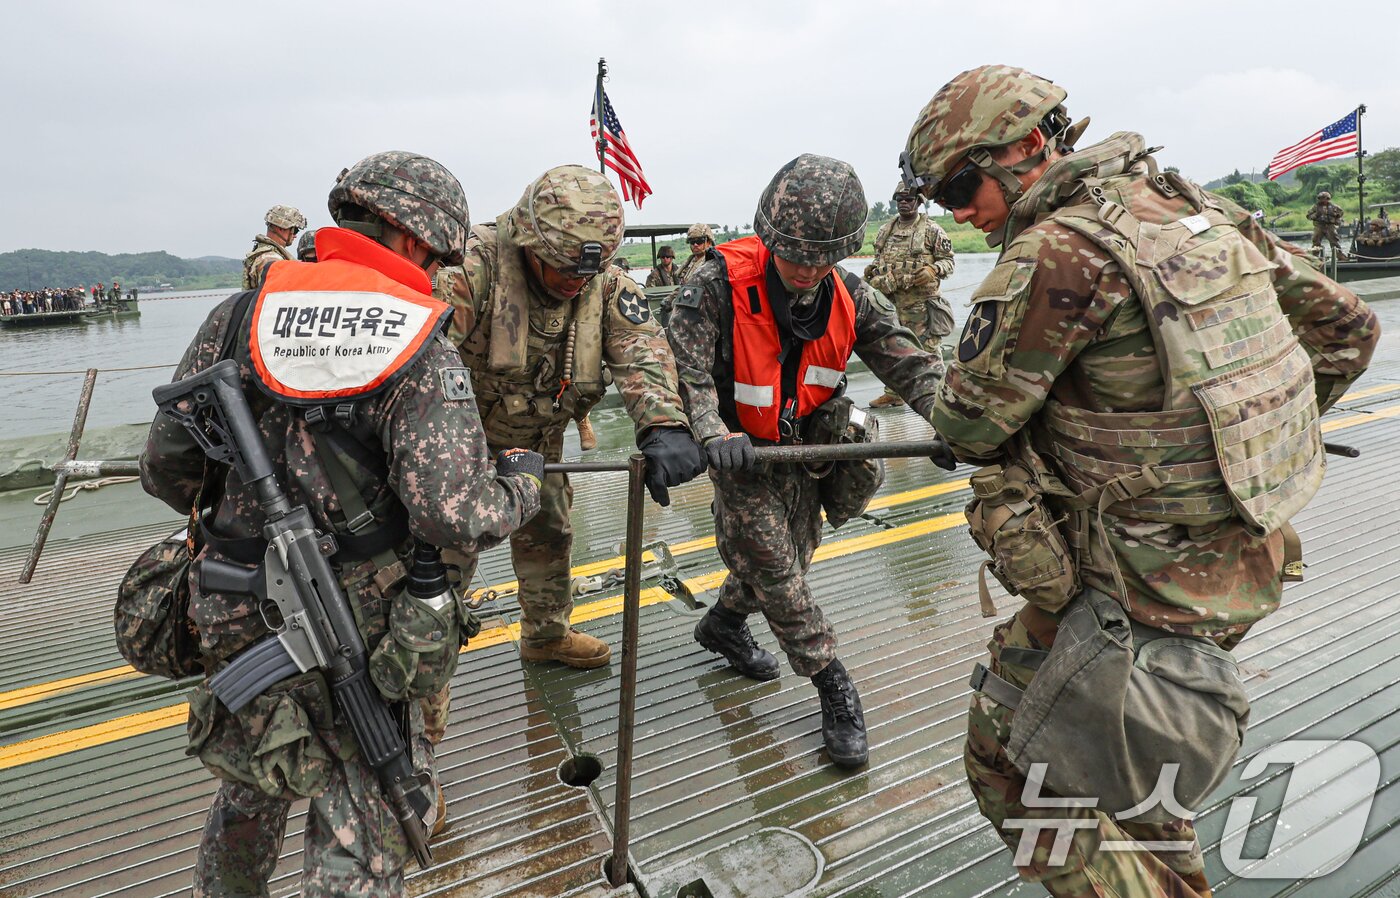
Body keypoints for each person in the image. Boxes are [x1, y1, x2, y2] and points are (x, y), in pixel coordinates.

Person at [900, 65, 1380, 897]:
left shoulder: (1058, 253)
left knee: (1016, 763)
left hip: (1132, 587)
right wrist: (1240, 451)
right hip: (1243, 559)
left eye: (960, 184)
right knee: (1132, 759)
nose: (958, 211)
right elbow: (1347, 328)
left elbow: (969, 424)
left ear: (1022, 149)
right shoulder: (1203, 215)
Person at [140, 150, 544, 898]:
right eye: (439, 253)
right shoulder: (419, 338)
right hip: (354, 624)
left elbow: (165, 471)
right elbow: (451, 512)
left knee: (251, 782)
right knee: (364, 805)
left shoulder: (237, 317)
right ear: (415, 239)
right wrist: (521, 487)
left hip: (230, 603)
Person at [667, 153, 953, 768]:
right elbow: (685, 374)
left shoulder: (854, 296)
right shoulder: (712, 285)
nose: (808, 270)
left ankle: (721, 624)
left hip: (810, 450)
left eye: (824, 258)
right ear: (768, 238)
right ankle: (832, 683)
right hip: (740, 453)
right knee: (776, 566)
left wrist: (956, 423)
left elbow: (912, 364)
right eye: (796, 255)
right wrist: (713, 431)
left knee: (792, 555)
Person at [433, 164, 705, 669]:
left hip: (540, 443)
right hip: (458, 443)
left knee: (549, 535)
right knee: (445, 554)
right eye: (563, 268)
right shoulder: (471, 270)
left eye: (586, 272)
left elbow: (641, 347)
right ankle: (429, 654)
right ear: (529, 243)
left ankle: (545, 635)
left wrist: (663, 423)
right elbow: (418, 361)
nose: (574, 282)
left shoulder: (601, 282)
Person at [864, 183, 956, 408]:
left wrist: (933, 269)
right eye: (900, 200)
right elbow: (880, 259)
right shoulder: (886, 230)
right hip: (891, 302)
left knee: (928, 350)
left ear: (919, 202)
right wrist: (872, 271)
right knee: (895, 347)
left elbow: (949, 261)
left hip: (921, 306)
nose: (904, 203)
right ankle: (894, 394)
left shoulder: (932, 230)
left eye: (909, 199)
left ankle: (941, 396)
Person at [242, 204, 308, 288]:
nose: (295, 235)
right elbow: (279, 297)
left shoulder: (264, 254)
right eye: (295, 230)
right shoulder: (272, 261)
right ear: (281, 227)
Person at [1306, 190, 1346, 259]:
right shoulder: (1315, 207)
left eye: (1324, 198)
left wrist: (1336, 218)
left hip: (1330, 226)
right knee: (1316, 241)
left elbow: (1341, 212)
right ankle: (1314, 257)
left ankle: (1340, 256)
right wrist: (1315, 215)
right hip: (1319, 226)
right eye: (1320, 198)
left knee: (1334, 241)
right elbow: (1308, 216)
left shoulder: (1334, 207)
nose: (1322, 200)